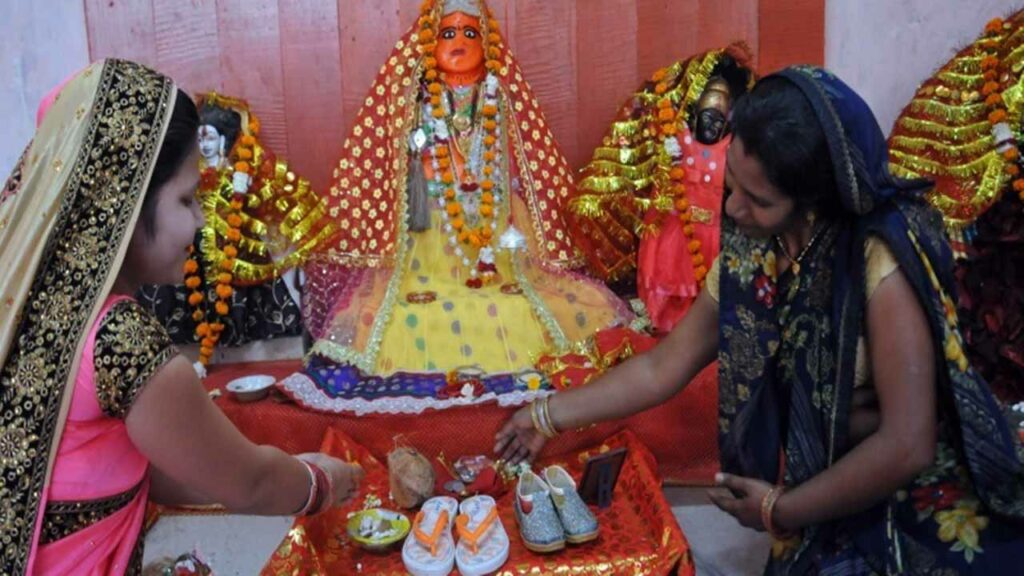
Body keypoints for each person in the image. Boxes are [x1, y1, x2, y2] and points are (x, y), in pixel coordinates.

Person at [496, 66, 1024, 574]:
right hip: (816, 484)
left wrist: (781, 509)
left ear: (815, 198)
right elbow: (664, 368)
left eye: (758, 200)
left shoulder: (878, 261)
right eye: (732, 185)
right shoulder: (754, 253)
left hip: (908, 489)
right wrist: (545, 415)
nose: (733, 211)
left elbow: (908, 444)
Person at [0, 60, 363, 576]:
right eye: (187, 199)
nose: (198, 221)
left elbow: (145, 465)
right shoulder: (119, 341)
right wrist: (319, 483)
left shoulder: (33, 306)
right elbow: (249, 482)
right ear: (122, 203)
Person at [290, 0, 629, 414]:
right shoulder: (415, 95)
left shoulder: (498, 93)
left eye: (470, 33)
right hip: (429, 234)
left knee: (517, 304)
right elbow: (388, 159)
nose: (459, 42)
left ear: (487, 43)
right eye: (448, 33)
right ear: (429, 44)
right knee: (403, 311)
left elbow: (519, 158)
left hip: (497, 231)